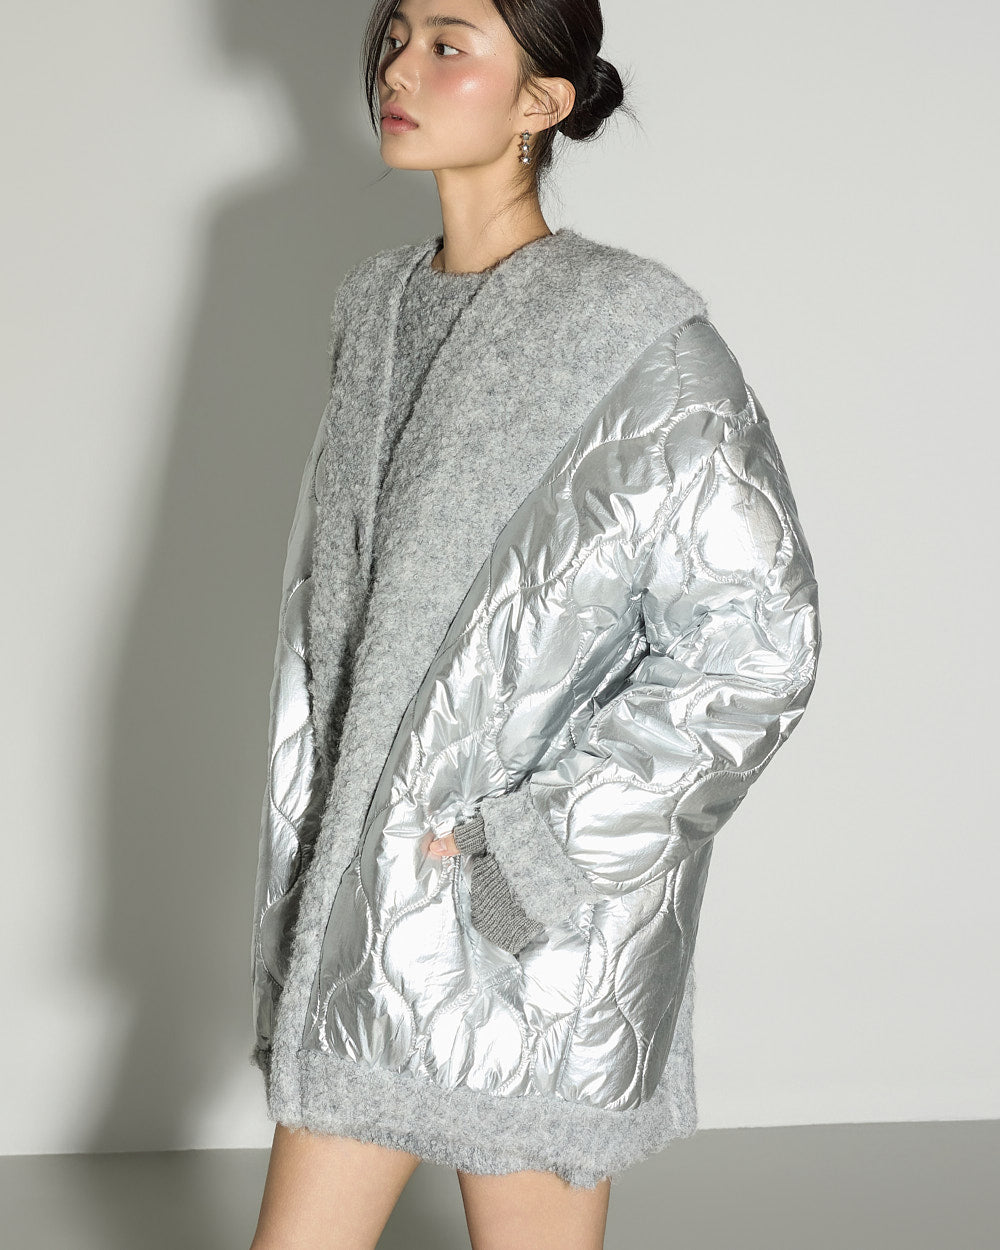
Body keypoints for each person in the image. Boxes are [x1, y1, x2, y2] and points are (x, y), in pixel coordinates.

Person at [248, 1, 822, 1246]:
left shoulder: (636, 336)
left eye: (449, 45)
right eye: (397, 34)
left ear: (543, 102)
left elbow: (755, 644)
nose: (399, 67)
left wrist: (528, 853)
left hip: (521, 930)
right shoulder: (376, 309)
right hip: (364, 919)